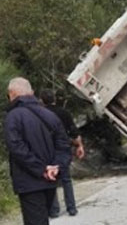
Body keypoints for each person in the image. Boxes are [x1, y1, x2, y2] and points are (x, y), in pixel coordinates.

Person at [3, 78, 71, 225]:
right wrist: (56, 166)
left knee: (35, 221)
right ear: (32, 92)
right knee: (42, 218)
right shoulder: (50, 115)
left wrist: (41, 169)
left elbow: (16, 147)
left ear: (11, 94)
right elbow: (64, 145)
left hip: (28, 181)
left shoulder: (13, 117)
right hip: (51, 179)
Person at [39, 89, 85, 218]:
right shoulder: (64, 113)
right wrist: (79, 146)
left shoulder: (40, 114)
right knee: (66, 179)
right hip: (63, 149)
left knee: (50, 178)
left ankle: (53, 210)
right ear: (54, 99)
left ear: (41, 101)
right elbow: (74, 132)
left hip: (47, 150)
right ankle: (72, 208)